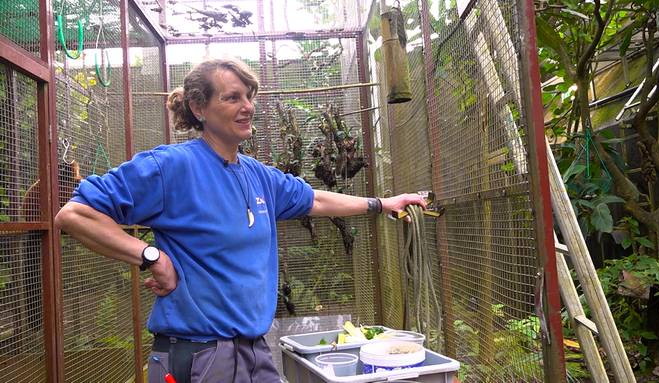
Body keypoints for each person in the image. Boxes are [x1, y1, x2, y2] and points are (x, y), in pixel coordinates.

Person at [55, 58, 426, 383]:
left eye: (249, 96)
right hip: (198, 355)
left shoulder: (258, 175)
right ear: (200, 108)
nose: (247, 107)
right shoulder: (170, 167)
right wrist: (151, 256)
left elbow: (315, 199)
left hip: (254, 351)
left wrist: (382, 203)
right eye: (232, 98)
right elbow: (75, 215)